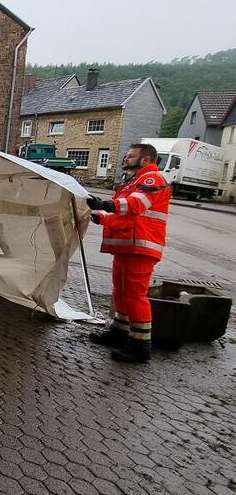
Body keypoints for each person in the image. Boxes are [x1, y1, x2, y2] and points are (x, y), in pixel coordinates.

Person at [87, 143, 170, 363]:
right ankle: (119, 332)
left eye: (130, 156)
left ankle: (140, 346)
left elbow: (134, 206)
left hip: (141, 248)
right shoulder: (132, 182)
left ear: (144, 160)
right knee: (121, 293)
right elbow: (122, 215)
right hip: (128, 246)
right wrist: (99, 215)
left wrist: (105, 204)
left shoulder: (152, 179)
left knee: (134, 296)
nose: (125, 158)